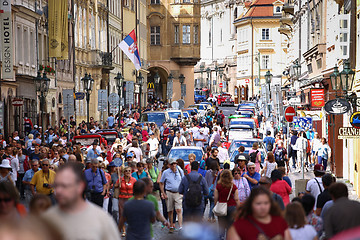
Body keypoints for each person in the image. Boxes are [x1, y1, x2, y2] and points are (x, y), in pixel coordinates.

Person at [43, 163, 120, 240]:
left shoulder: (101, 219)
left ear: (80, 186)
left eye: (65, 186)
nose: (59, 191)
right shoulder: (49, 218)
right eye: (56, 185)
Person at [227, 187, 291, 240]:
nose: (263, 207)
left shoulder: (280, 223)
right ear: (251, 204)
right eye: (258, 203)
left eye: (266, 203)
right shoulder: (239, 227)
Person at [159, 158, 184, 233]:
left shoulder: (180, 171)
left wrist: (183, 192)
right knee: (170, 210)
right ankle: (171, 225)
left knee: (178, 209)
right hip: (169, 192)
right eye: (172, 164)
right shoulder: (166, 172)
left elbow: (183, 181)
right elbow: (161, 182)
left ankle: (180, 226)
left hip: (178, 193)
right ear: (169, 165)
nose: (174, 165)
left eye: (175, 164)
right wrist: (163, 193)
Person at [214, 169, 240, 239]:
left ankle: (221, 237)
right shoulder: (233, 187)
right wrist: (239, 207)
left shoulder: (218, 186)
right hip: (232, 207)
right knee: (230, 225)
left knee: (221, 224)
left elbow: (216, 197)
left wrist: (216, 205)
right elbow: (236, 198)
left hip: (221, 206)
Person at [115, 166, 136, 237]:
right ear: (123, 172)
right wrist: (117, 184)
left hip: (130, 198)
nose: (128, 172)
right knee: (122, 215)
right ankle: (124, 231)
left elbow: (136, 189)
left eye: (129, 171)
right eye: (126, 171)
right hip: (122, 198)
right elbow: (115, 186)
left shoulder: (133, 180)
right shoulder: (120, 179)